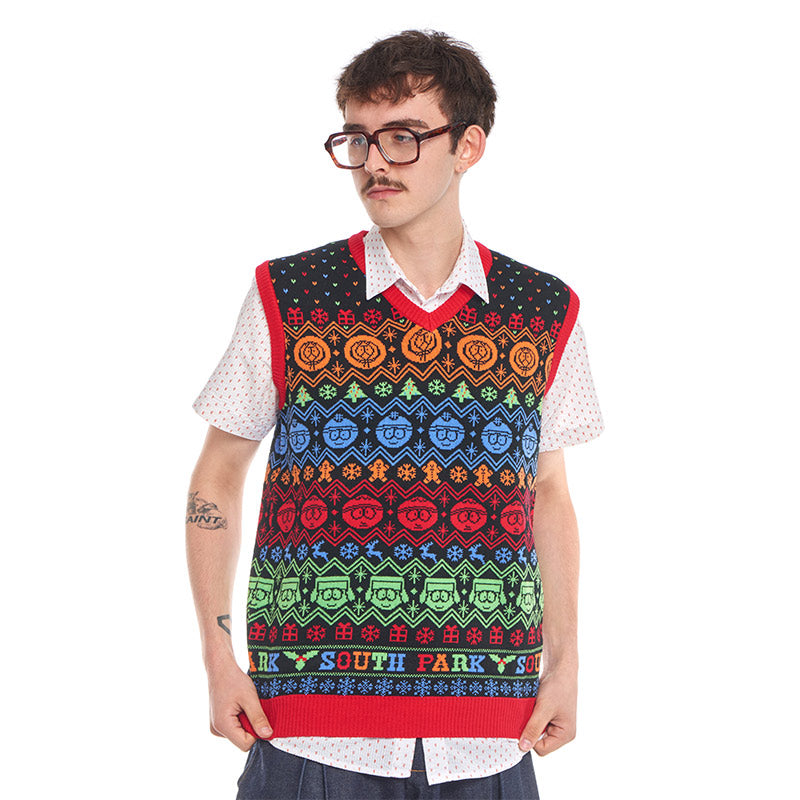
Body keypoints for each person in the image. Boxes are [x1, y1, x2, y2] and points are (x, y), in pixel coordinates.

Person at [187, 29, 603, 799]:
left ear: (468, 146)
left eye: (404, 137)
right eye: (359, 138)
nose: (375, 162)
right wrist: (218, 658)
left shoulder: (544, 310)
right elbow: (216, 477)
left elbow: (548, 492)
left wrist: (566, 664)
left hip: (492, 738)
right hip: (309, 732)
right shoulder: (290, 295)